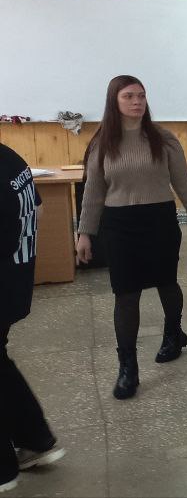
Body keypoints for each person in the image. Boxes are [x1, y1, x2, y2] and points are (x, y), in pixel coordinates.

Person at [76, 75, 187, 400]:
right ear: (114, 101)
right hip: (119, 225)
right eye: (129, 96)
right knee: (126, 294)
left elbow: (183, 182)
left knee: (167, 282)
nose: (137, 101)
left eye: (141, 95)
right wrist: (84, 233)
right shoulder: (101, 142)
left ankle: (173, 333)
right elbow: (93, 192)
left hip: (159, 221)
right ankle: (128, 367)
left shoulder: (163, 139)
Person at [1, 144, 65, 492]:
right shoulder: (10, 158)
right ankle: (36, 440)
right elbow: (37, 211)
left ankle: (4, 470)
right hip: (15, 282)